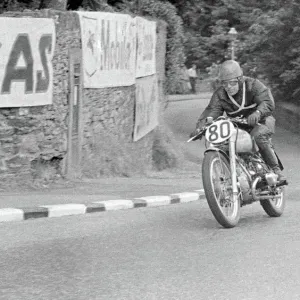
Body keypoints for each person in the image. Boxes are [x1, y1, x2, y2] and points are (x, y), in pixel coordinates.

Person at [190, 60, 287, 183]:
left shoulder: (253, 85)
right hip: (237, 126)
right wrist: (200, 127)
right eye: (225, 84)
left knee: (257, 136)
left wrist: (258, 113)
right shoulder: (220, 94)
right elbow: (212, 111)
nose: (228, 87)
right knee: (223, 143)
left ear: (240, 79)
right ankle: (235, 175)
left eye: (232, 83)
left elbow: (267, 102)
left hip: (261, 121)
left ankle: (276, 171)